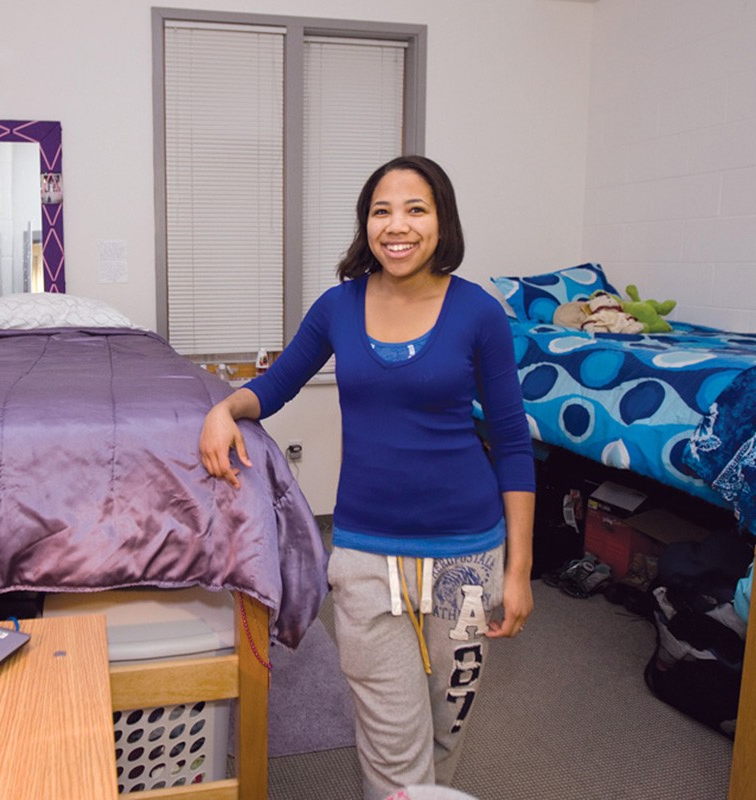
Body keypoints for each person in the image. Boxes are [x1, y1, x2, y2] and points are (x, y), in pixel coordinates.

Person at [199, 155, 535, 800]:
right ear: (365, 224)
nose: (397, 225)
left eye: (416, 208)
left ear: (442, 221)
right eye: (382, 210)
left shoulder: (479, 314)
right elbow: (276, 385)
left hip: (468, 556)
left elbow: (513, 444)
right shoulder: (338, 307)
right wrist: (225, 407)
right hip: (365, 557)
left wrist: (517, 572)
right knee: (388, 732)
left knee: (447, 723)